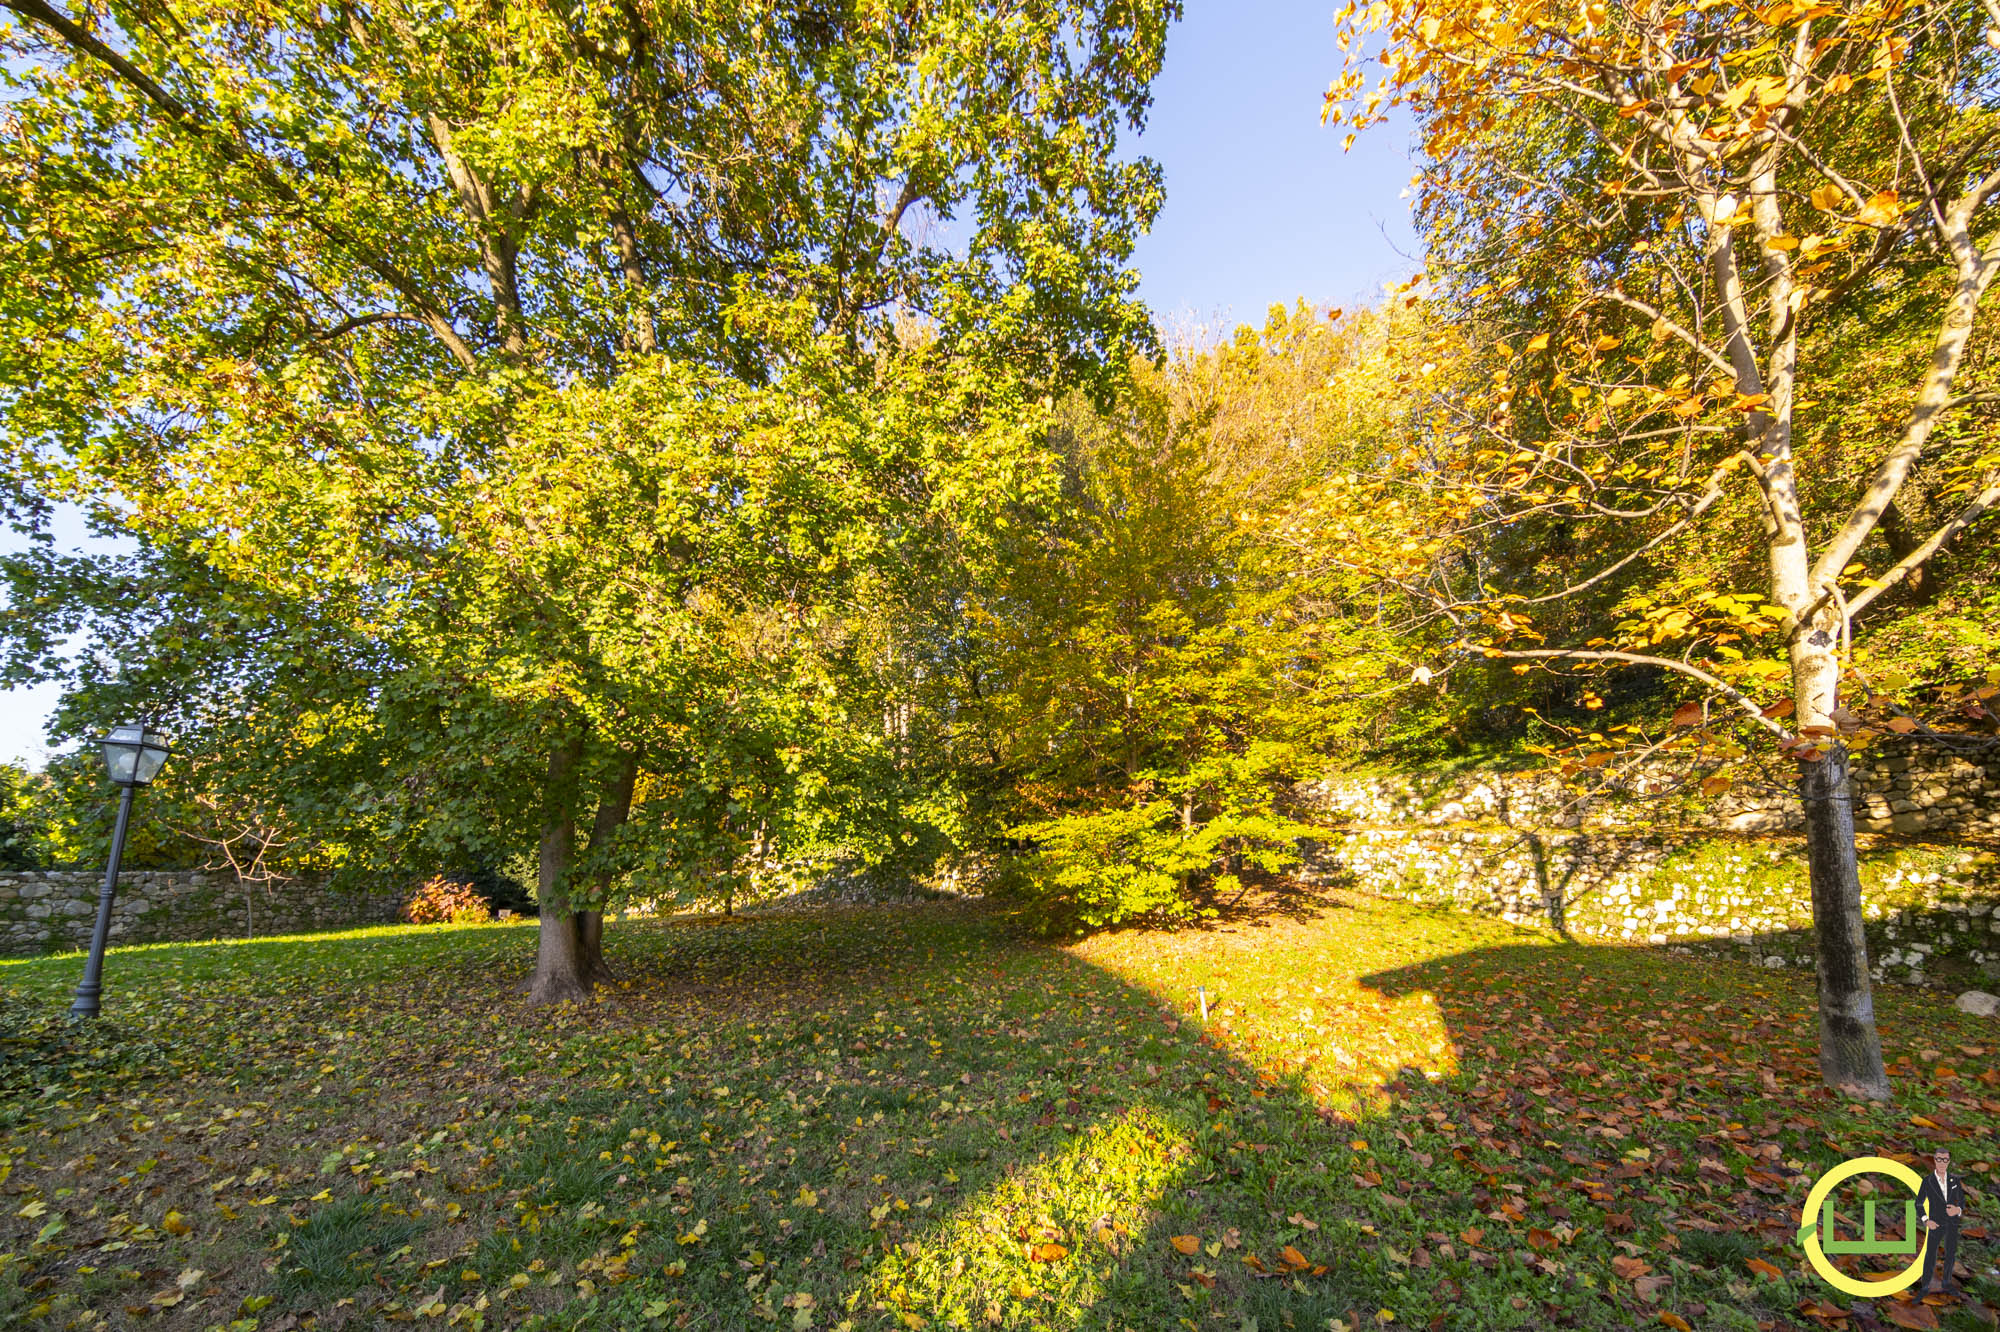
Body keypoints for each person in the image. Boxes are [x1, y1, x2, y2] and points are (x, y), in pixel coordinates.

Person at [1917, 1145, 1966, 1295]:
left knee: (1950, 1253)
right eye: (1939, 1159)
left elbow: (1962, 1202)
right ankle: (1925, 1285)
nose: (1942, 1162)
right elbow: (1919, 1203)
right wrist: (1926, 1220)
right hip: (1935, 1222)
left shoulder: (1954, 1181)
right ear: (1934, 1160)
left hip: (1951, 1223)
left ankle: (1946, 1283)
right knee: (1930, 1253)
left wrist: (1957, 1210)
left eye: (1945, 1160)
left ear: (1949, 1161)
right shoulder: (1928, 1181)